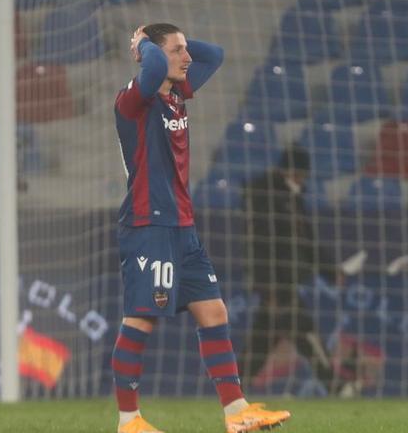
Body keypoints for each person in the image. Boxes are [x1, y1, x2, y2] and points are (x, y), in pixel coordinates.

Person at [111, 23, 290, 433]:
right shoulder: (133, 100)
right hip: (148, 226)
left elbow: (216, 55)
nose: (187, 58)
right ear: (149, 56)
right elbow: (155, 64)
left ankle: (237, 412)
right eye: (177, 51)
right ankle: (129, 421)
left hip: (182, 226)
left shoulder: (176, 95)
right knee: (140, 319)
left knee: (213, 311)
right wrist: (144, 43)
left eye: (184, 49)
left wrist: (177, 40)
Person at [241, 146, 339, 394]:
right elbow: (260, 244)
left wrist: (329, 270)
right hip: (276, 282)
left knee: (262, 340)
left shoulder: (291, 197)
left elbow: (307, 241)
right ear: (293, 172)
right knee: (305, 331)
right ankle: (336, 385)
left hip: (281, 280)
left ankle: (234, 387)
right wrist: (268, 285)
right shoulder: (266, 196)